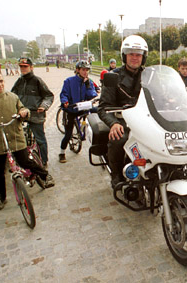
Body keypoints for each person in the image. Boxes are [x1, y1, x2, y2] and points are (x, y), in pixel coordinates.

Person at [0, 69, 55, 211]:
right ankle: (0, 197)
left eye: (1, 81)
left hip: (15, 136)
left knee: (25, 161)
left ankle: (45, 175)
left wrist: (23, 112)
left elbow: (23, 109)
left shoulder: (12, 96)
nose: (0, 85)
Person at [97, 35, 148, 189]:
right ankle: (117, 174)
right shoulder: (114, 77)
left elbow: (161, 94)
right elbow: (103, 107)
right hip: (122, 120)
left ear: (143, 57)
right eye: (131, 54)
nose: (134, 57)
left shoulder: (149, 76)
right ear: (124, 56)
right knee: (118, 138)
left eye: (138, 54)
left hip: (145, 120)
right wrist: (113, 123)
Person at [11, 57, 54, 168]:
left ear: (31, 67)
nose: (23, 69)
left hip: (35, 114)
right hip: (22, 115)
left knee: (40, 139)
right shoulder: (19, 81)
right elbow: (12, 96)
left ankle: (43, 161)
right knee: (18, 139)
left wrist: (43, 106)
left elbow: (49, 96)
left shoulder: (37, 80)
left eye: (25, 66)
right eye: (21, 66)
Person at [59, 60, 97, 163]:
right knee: (68, 133)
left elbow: (92, 95)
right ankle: (62, 152)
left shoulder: (89, 81)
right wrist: (65, 101)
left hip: (82, 107)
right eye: (83, 70)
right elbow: (64, 94)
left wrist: (89, 85)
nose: (85, 72)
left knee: (98, 111)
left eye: (87, 70)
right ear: (77, 70)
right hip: (71, 109)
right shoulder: (69, 81)